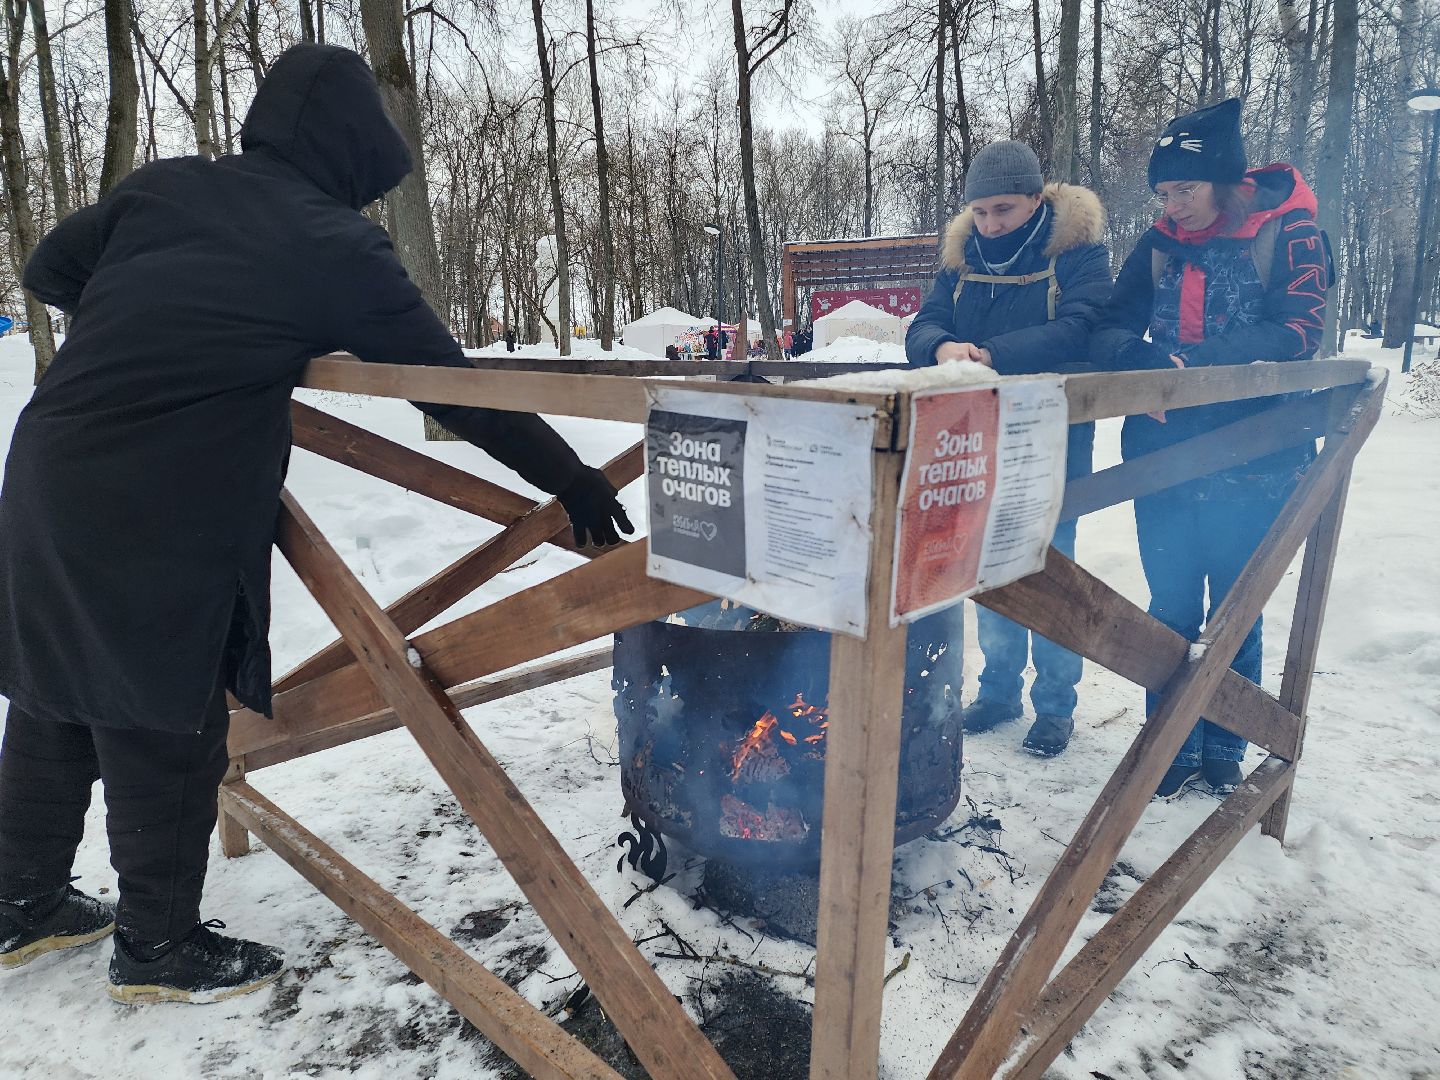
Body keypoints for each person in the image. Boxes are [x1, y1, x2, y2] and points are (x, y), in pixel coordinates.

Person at [0, 44, 632, 1001]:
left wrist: (159, 312)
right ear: (351, 150)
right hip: (156, 501)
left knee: (56, 690)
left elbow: (49, 264)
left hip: (49, 465)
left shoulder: (169, 188)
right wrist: (571, 478)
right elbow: (457, 390)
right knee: (166, 709)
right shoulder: (332, 245)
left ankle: (22, 902)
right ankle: (157, 948)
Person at [1089, 98, 1328, 799]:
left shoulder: (1288, 231)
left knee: (1234, 610)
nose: (1173, 205)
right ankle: (1168, 745)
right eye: (1163, 192)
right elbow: (1109, 325)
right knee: (1168, 607)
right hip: (1164, 454)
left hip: (1256, 457)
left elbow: (1299, 330)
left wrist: (1196, 365)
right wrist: (1141, 360)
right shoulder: (1158, 242)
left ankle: (1225, 743)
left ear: (1226, 180)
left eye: (1185, 188)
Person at [906, 140, 1111, 756]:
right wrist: (941, 346)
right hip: (976, 437)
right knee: (988, 563)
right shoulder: (960, 258)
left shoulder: (1077, 253)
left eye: (1004, 210)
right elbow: (924, 324)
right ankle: (998, 690)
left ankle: (1055, 703)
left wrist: (996, 355)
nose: (990, 224)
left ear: (1036, 199)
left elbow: (1084, 327)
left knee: (1052, 568)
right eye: (980, 212)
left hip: (1051, 436)